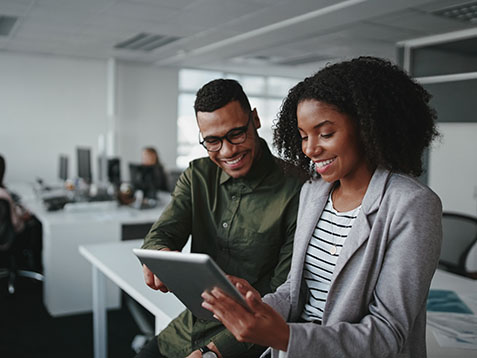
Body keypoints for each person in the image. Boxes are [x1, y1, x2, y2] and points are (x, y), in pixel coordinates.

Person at [201, 57, 443, 358]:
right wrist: (255, 305)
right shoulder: (314, 192)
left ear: (367, 126)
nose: (310, 149)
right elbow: (295, 290)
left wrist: (287, 336)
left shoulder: (412, 205)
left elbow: (387, 333)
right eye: (303, 136)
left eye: (325, 134)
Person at [136, 79, 304, 358]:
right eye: (213, 141)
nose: (228, 151)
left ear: (255, 119)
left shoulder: (297, 189)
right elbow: (160, 234)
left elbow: (283, 293)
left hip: (248, 340)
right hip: (189, 328)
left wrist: (215, 352)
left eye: (237, 134)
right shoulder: (197, 175)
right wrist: (157, 255)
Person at [0, 154, 43, 272]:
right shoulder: (4, 195)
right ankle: (37, 267)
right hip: (10, 239)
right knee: (37, 225)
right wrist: (24, 216)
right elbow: (14, 222)